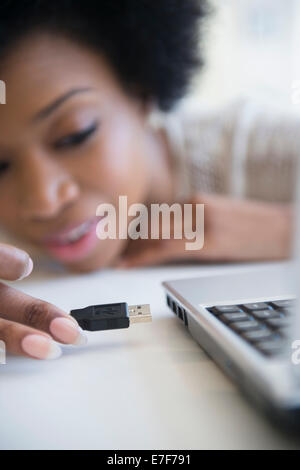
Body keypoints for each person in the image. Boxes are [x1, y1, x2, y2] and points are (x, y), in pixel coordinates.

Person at [0, 0, 295, 360]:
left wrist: (282, 230)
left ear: (141, 92)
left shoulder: (266, 149)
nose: (43, 200)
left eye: (74, 135)